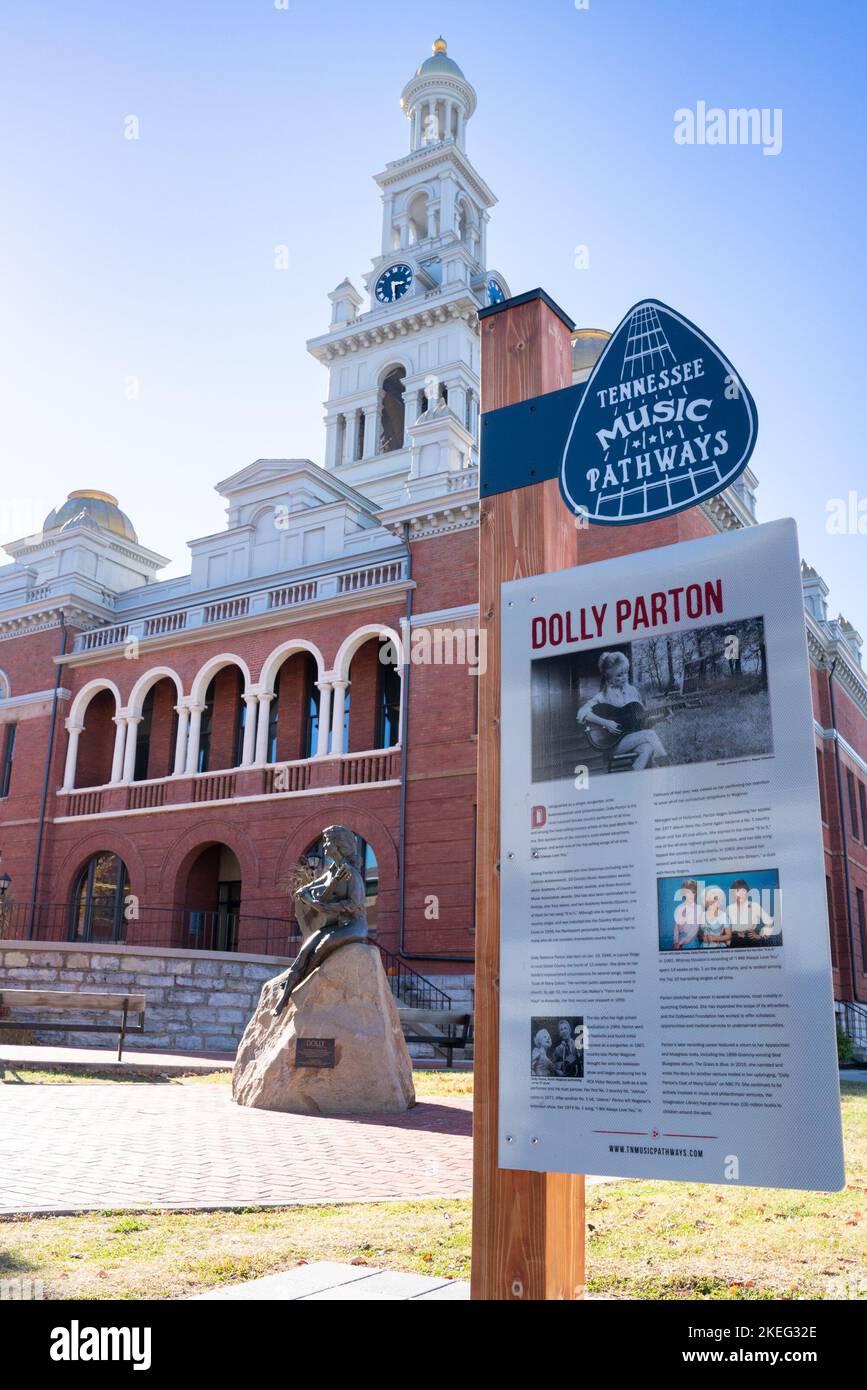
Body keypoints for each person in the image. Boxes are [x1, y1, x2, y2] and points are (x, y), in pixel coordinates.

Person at [577, 650, 668, 770]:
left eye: (625, 672)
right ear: (608, 676)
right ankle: (668, 768)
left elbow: (642, 724)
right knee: (650, 735)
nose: (624, 677)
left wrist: (661, 717)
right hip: (612, 745)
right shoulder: (602, 696)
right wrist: (606, 723)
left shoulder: (632, 692)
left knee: (647, 748)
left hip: (632, 739)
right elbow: (581, 714)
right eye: (619, 675)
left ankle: (633, 777)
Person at [727, 878, 778, 947]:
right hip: (734, 942)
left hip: (750, 941)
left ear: (747, 893)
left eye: (743, 890)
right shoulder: (729, 908)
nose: (740, 894)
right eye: (737, 891)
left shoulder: (754, 906)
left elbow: (770, 923)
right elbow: (725, 928)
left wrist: (761, 936)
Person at [673, 879, 703, 949]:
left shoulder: (698, 909)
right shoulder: (679, 908)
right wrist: (675, 941)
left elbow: (694, 932)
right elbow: (676, 928)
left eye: (693, 892)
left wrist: (680, 943)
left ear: (696, 893)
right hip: (679, 943)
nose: (691, 895)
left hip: (691, 943)